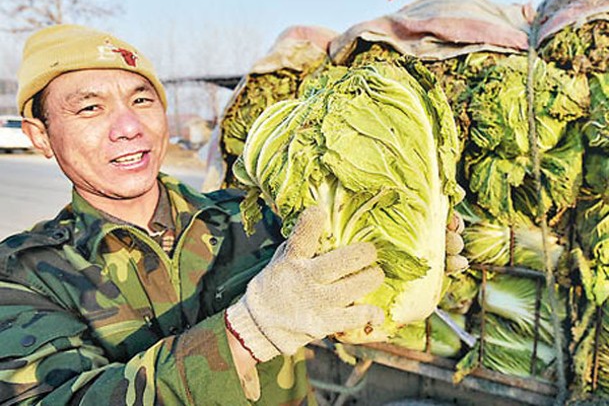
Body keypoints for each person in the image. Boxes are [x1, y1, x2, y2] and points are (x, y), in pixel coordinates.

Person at [0, 24, 465, 405]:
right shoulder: (21, 275)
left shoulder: (250, 222)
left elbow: (354, 310)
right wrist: (248, 331)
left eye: (142, 100)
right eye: (90, 108)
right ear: (40, 135)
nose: (128, 127)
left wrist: (401, 252)